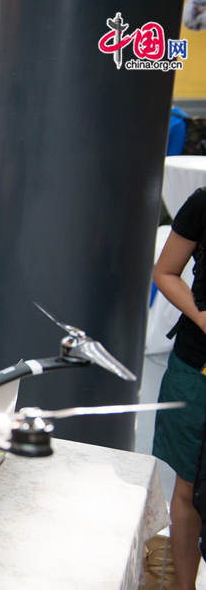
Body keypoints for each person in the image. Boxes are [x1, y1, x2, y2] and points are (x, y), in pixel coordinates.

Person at [152, 185, 206, 590]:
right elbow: (164, 272)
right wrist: (203, 318)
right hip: (196, 368)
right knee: (187, 488)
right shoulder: (203, 202)